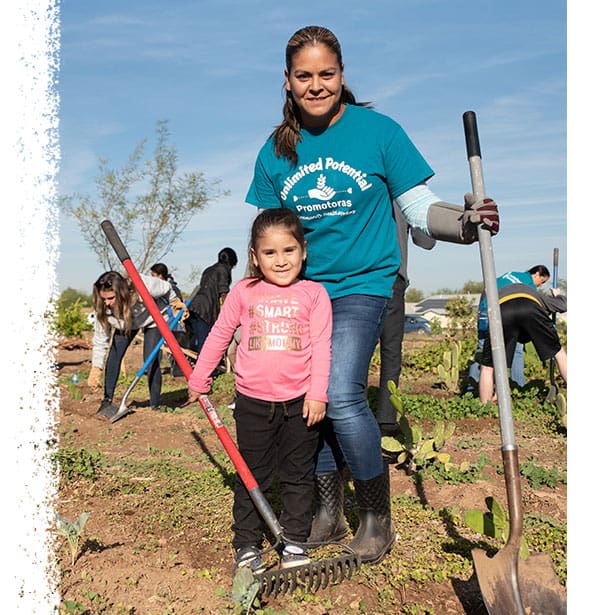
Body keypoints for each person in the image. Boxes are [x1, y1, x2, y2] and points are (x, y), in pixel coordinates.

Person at [244, 25, 500, 564]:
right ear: (287, 81)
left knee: (339, 394)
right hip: (302, 294)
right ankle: (327, 511)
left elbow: (419, 208)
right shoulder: (274, 152)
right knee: (302, 400)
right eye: (304, 76)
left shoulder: (378, 132)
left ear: (343, 75)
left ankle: (376, 519)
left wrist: (466, 222)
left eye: (327, 74)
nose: (317, 85)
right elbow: (269, 234)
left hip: (364, 284)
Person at [187, 208, 332, 572]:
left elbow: (321, 345)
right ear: (254, 256)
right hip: (252, 404)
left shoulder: (314, 294)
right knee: (252, 474)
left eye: (288, 251)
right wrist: (200, 376)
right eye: (270, 253)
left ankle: (295, 542)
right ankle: (247, 544)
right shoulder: (244, 291)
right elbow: (220, 333)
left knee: (298, 474)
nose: (280, 261)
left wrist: (318, 393)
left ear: (303, 251)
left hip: (300, 403)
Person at [87, 270, 187, 418]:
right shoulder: (103, 307)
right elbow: (101, 340)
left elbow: (166, 287)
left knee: (150, 359)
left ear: (121, 293)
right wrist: (96, 367)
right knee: (114, 355)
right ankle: (107, 401)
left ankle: (155, 404)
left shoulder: (143, 284)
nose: (107, 303)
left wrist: (174, 302)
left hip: (153, 318)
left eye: (111, 298)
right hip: (126, 323)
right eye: (104, 298)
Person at [376, 208, 436, 437]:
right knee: (391, 350)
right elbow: (426, 240)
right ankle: (386, 420)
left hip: (357, 276)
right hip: (392, 277)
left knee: (356, 349)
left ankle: (350, 419)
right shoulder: (404, 194)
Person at [479, 266, 566, 404]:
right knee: (559, 353)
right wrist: (557, 295)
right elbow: (563, 305)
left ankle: (484, 407)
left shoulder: (500, 289)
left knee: (488, 366)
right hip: (530, 307)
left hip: (502, 310)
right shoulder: (532, 292)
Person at [187, 248, 238, 355]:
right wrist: (231, 313)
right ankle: (205, 369)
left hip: (194, 306)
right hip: (205, 309)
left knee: (194, 340)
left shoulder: (209, 269)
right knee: (205, 342)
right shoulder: (223, 270)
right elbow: (224, 294)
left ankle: (191, 365)